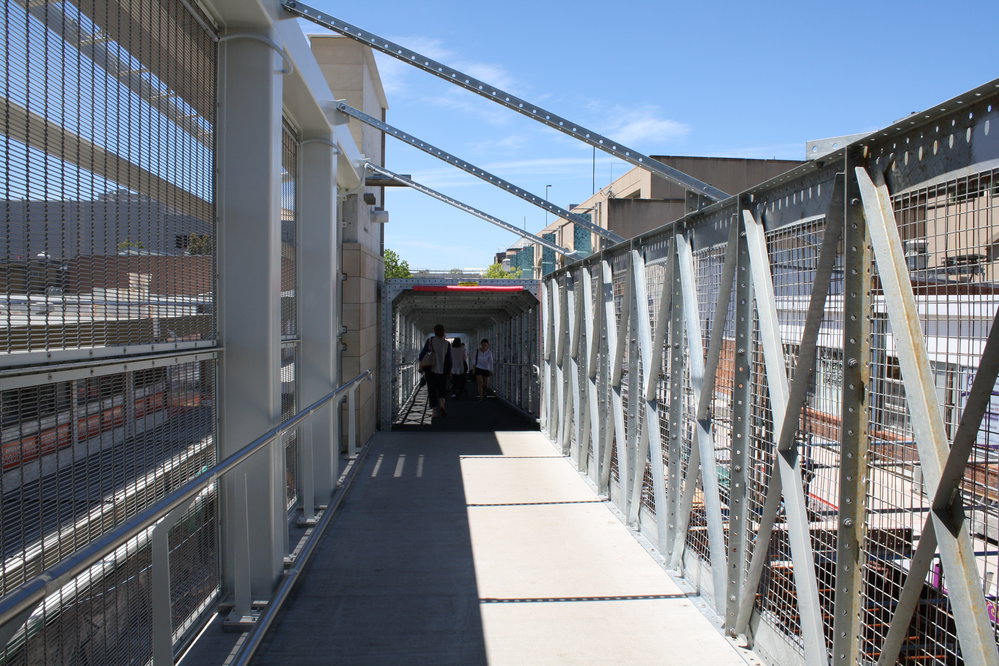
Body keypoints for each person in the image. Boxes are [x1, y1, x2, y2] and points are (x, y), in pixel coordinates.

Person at [418, 324, 452, 418]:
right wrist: (449, 371)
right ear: (443, 332)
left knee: (432, 391)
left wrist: (422, 363)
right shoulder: (447, 344)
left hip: (430, 370)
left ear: (435, 331)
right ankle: (442, 406)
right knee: (442, 390)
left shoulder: (430, 341)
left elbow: (422, 355)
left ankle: (434, 412)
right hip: (442, 371)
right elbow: (449, 359)